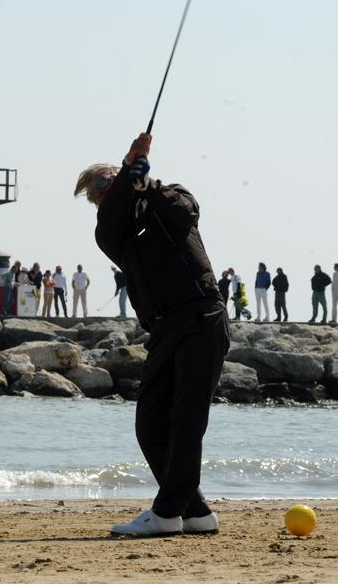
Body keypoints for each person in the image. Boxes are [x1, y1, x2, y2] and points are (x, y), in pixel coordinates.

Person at [74, 132, 229, 537]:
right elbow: (112, 217)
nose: (100, 195)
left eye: (103, 183)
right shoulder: (113, 232)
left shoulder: (169, 196)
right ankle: (195, 512)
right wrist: (129, 171)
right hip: (163, 328)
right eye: (94, 194)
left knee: (187, 418)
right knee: (149, 425)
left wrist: (147, 183)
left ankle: (167, 512)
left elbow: (186, 212)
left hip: (201, 315)